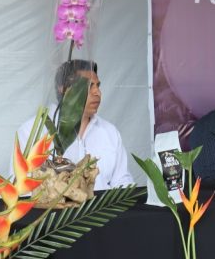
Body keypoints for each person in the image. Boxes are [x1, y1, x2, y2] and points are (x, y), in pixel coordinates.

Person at [16, 60, 134, 190]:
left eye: (98, 86)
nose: (97, 92)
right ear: (63, 89)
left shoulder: (109, 132)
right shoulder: (32, 131)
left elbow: (122, 181)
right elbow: (22, 188)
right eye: (89, 86)